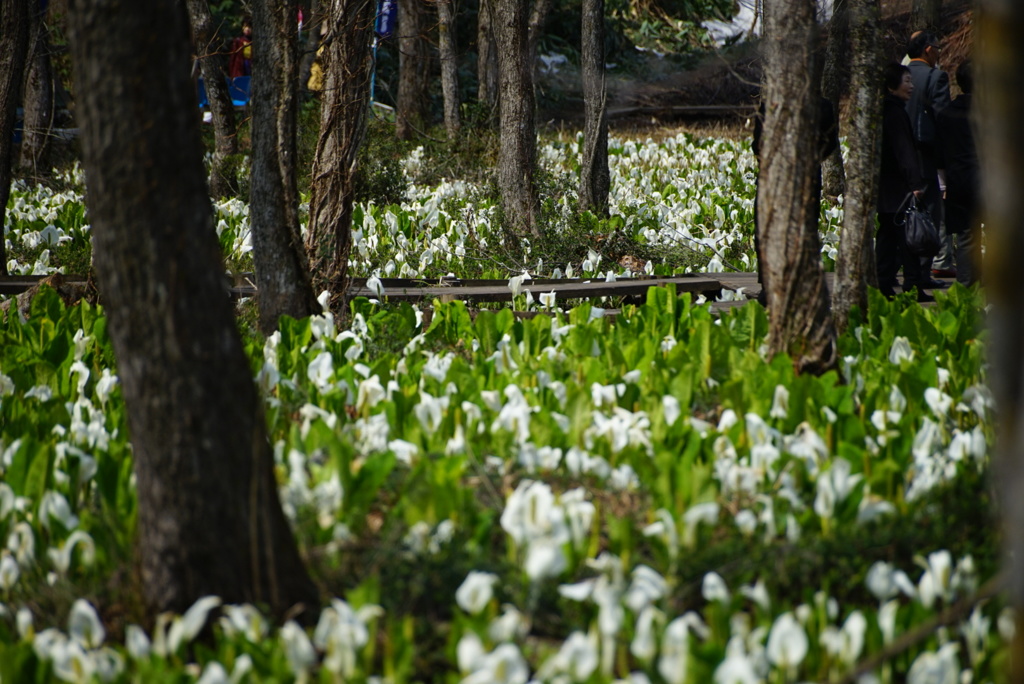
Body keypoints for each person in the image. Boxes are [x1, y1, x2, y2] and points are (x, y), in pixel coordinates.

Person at [750, 95, 839, 305]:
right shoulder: (822, 105)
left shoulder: (772, 101)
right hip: (805, 179)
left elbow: (758, 144)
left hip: (775, 177)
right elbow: (830, 144)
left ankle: (769, 286)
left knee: (768, 231)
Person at [879, 63, 932, 301]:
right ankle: (913, 286)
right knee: (908, 238)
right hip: (899, 188)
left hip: (885, 188)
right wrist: (915, 184)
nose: (911, 86)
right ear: (892, 86)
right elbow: (905, 151)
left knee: (888, 236)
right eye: (907, 81)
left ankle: (883, 284)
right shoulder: (896, 113)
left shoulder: (882, 110)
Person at [905, 30, 954, 283]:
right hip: (925, 156)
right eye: (937, 48)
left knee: (900, 215)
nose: (938, 54)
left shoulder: (896, 74)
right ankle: (922, 274)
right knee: (928, 214)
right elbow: (943, 120)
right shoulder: (936, 77)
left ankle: (896, 272)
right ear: (927, 49)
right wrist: (946, 163)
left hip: (899, 155)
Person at [936, 59, 981, 287]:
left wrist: (943, 185)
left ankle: (965, 287)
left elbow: (939, 154)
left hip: (958, 180)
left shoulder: (946, 114)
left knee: (965, 237)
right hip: (988, 180)